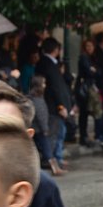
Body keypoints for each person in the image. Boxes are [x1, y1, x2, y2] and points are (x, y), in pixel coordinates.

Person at [37, 37, 71, 170]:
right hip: (53, 106)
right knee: (56, 132)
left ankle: (56, 158)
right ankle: (53, 159)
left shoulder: (46, 63)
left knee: (58, 131)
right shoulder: (49, 64)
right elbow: (56, 88)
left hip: (50, 104)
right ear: (56, 50)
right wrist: (61, 106)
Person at [29, 75, 65, 176]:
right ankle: (54, 167)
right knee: (47, 148)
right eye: (43, 84)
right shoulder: (37, 99)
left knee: (40, 148)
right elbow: (41, 115)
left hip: (35, 128)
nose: (45, 86)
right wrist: (45, 128)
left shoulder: (34, 98)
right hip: (39, 128)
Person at [76, 39, 100, 147]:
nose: (89, 48)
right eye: (87, 46)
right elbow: (89, 72)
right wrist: (92, 70)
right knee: (84, 113)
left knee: (89, 112)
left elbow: (98, 71)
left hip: (90, 87)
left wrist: (94, 70)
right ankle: (83, 136)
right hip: (85, 89)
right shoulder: (84, 57)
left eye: (91, 46)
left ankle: (86, 135)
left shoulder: (92, 58)